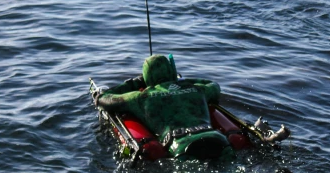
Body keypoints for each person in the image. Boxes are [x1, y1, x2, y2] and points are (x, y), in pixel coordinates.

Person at [96, 54, 232, 159]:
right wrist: (179, 81)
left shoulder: (141, 97)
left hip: (182, 147)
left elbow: (103, 98)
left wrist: (134, 83)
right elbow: (213, 84)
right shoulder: (197, 89)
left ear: (147, 77)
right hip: (217, 139)